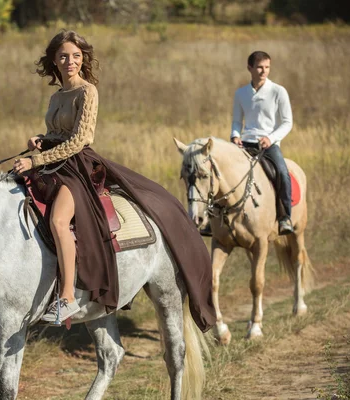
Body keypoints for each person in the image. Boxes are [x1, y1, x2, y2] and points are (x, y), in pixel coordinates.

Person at [13, 30, 216, 330]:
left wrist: (36, 160)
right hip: (53, 161)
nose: (70, 62)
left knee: (58, 221)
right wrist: (41, 140)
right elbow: (59, 135)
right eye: (64, 56)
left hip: (76, 167)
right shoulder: (57, 96)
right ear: (54, 61)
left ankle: (67, 296)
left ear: (83, 60)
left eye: (76, 57)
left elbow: (80, 140)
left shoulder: (88, 92)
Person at [230, 50, 294, 235]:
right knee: (220, 171)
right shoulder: (241, 93)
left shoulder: (278, 91)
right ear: (249, 67)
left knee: (282, 172)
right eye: (259, 67)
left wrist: (271, 138)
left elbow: (287, 122)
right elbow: (236, 121)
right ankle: (213, 220)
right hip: (244, 143)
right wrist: (235, 135)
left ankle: (285, 217)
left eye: (267, 67)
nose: (263, 71)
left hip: (269, 145)